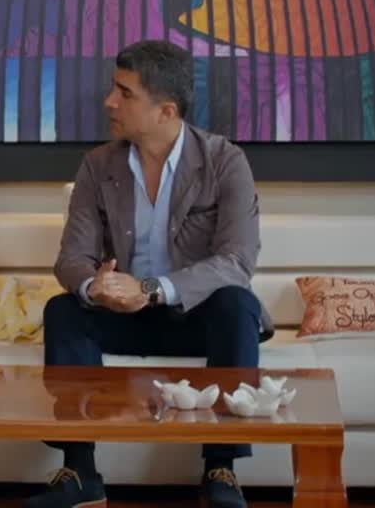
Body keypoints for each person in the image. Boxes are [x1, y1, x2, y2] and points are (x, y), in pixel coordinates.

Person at [30, 40, 269, 508]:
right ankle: (80, 474)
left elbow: (237, 261)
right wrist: (95, 286)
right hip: (122, 316)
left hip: (194, 316)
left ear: (166, 111)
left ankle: (221, 470)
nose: (109, 102)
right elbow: (71, 257)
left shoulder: (225, 162)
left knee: (238, 304)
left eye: (124, 93)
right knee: (63, 309)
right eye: (113, 89)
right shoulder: (98, 165)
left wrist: (153, 289)